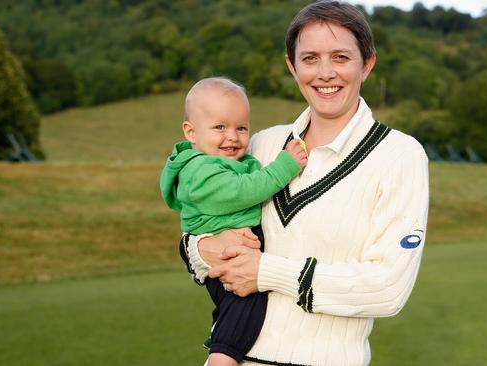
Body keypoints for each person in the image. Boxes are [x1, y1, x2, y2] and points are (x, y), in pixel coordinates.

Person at [182, 2, 429, 365]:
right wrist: (205, 249)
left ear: (368, 63)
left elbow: (387, 288)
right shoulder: (261, 145)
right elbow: (194, 233)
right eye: (310, 58)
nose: (325, 73)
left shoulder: (399, 155)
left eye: (341, 57)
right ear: (291, 65)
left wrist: (266, 271)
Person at [159, 77, 308, 366]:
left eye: (241, 128)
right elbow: (243, 191)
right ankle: (222, 357)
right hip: (227, 255)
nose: (233, 137)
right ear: (191, 132)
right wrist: (285, 167)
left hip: (237, 248)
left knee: (234, 307)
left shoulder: (225, 161)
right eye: (219, 127)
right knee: (246, 303)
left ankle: (221, 341)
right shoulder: (199, 170)